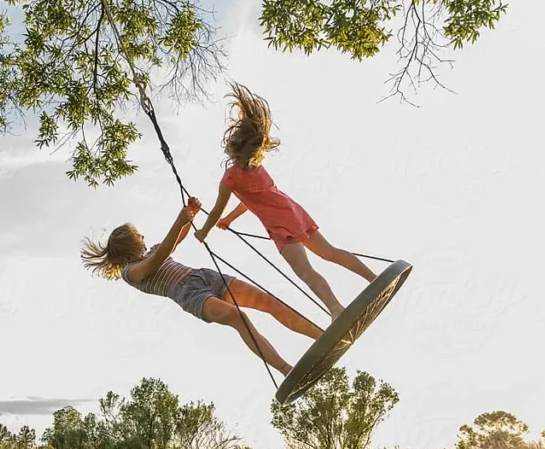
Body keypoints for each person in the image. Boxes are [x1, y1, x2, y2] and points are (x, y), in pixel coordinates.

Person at [81, 197, 322, 376]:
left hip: (204, 276)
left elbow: (172, 243)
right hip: (188, 294)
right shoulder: (129, 273)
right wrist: (179, 221)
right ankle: (285, 369)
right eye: (138, 236)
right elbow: (158, 258)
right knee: (239, 318)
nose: (143, 238)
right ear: (130, 245)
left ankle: (321, 336)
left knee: (269, 302)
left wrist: (189, 215)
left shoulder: (153, 249)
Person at [196, 83, 377, 320]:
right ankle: (374, 279)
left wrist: (203, 232)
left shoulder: (230, 177)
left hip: (280, 225)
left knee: (305, 271)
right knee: (330, 252)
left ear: (231, 146)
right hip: (293, 212)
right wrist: (229, 219)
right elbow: (252, 202)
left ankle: (335, 308)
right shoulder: (256, 168)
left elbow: (215, 209)